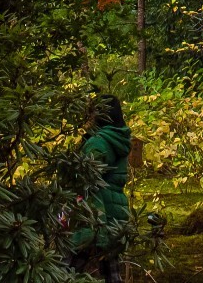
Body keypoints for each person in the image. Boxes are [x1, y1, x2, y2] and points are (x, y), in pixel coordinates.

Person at [71, 94, 131, 283]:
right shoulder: (117, 138)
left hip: (95, 213)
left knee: (69, 269)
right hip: (114, 211)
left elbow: (86, 180)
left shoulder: (98, 142)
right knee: (112, 272)